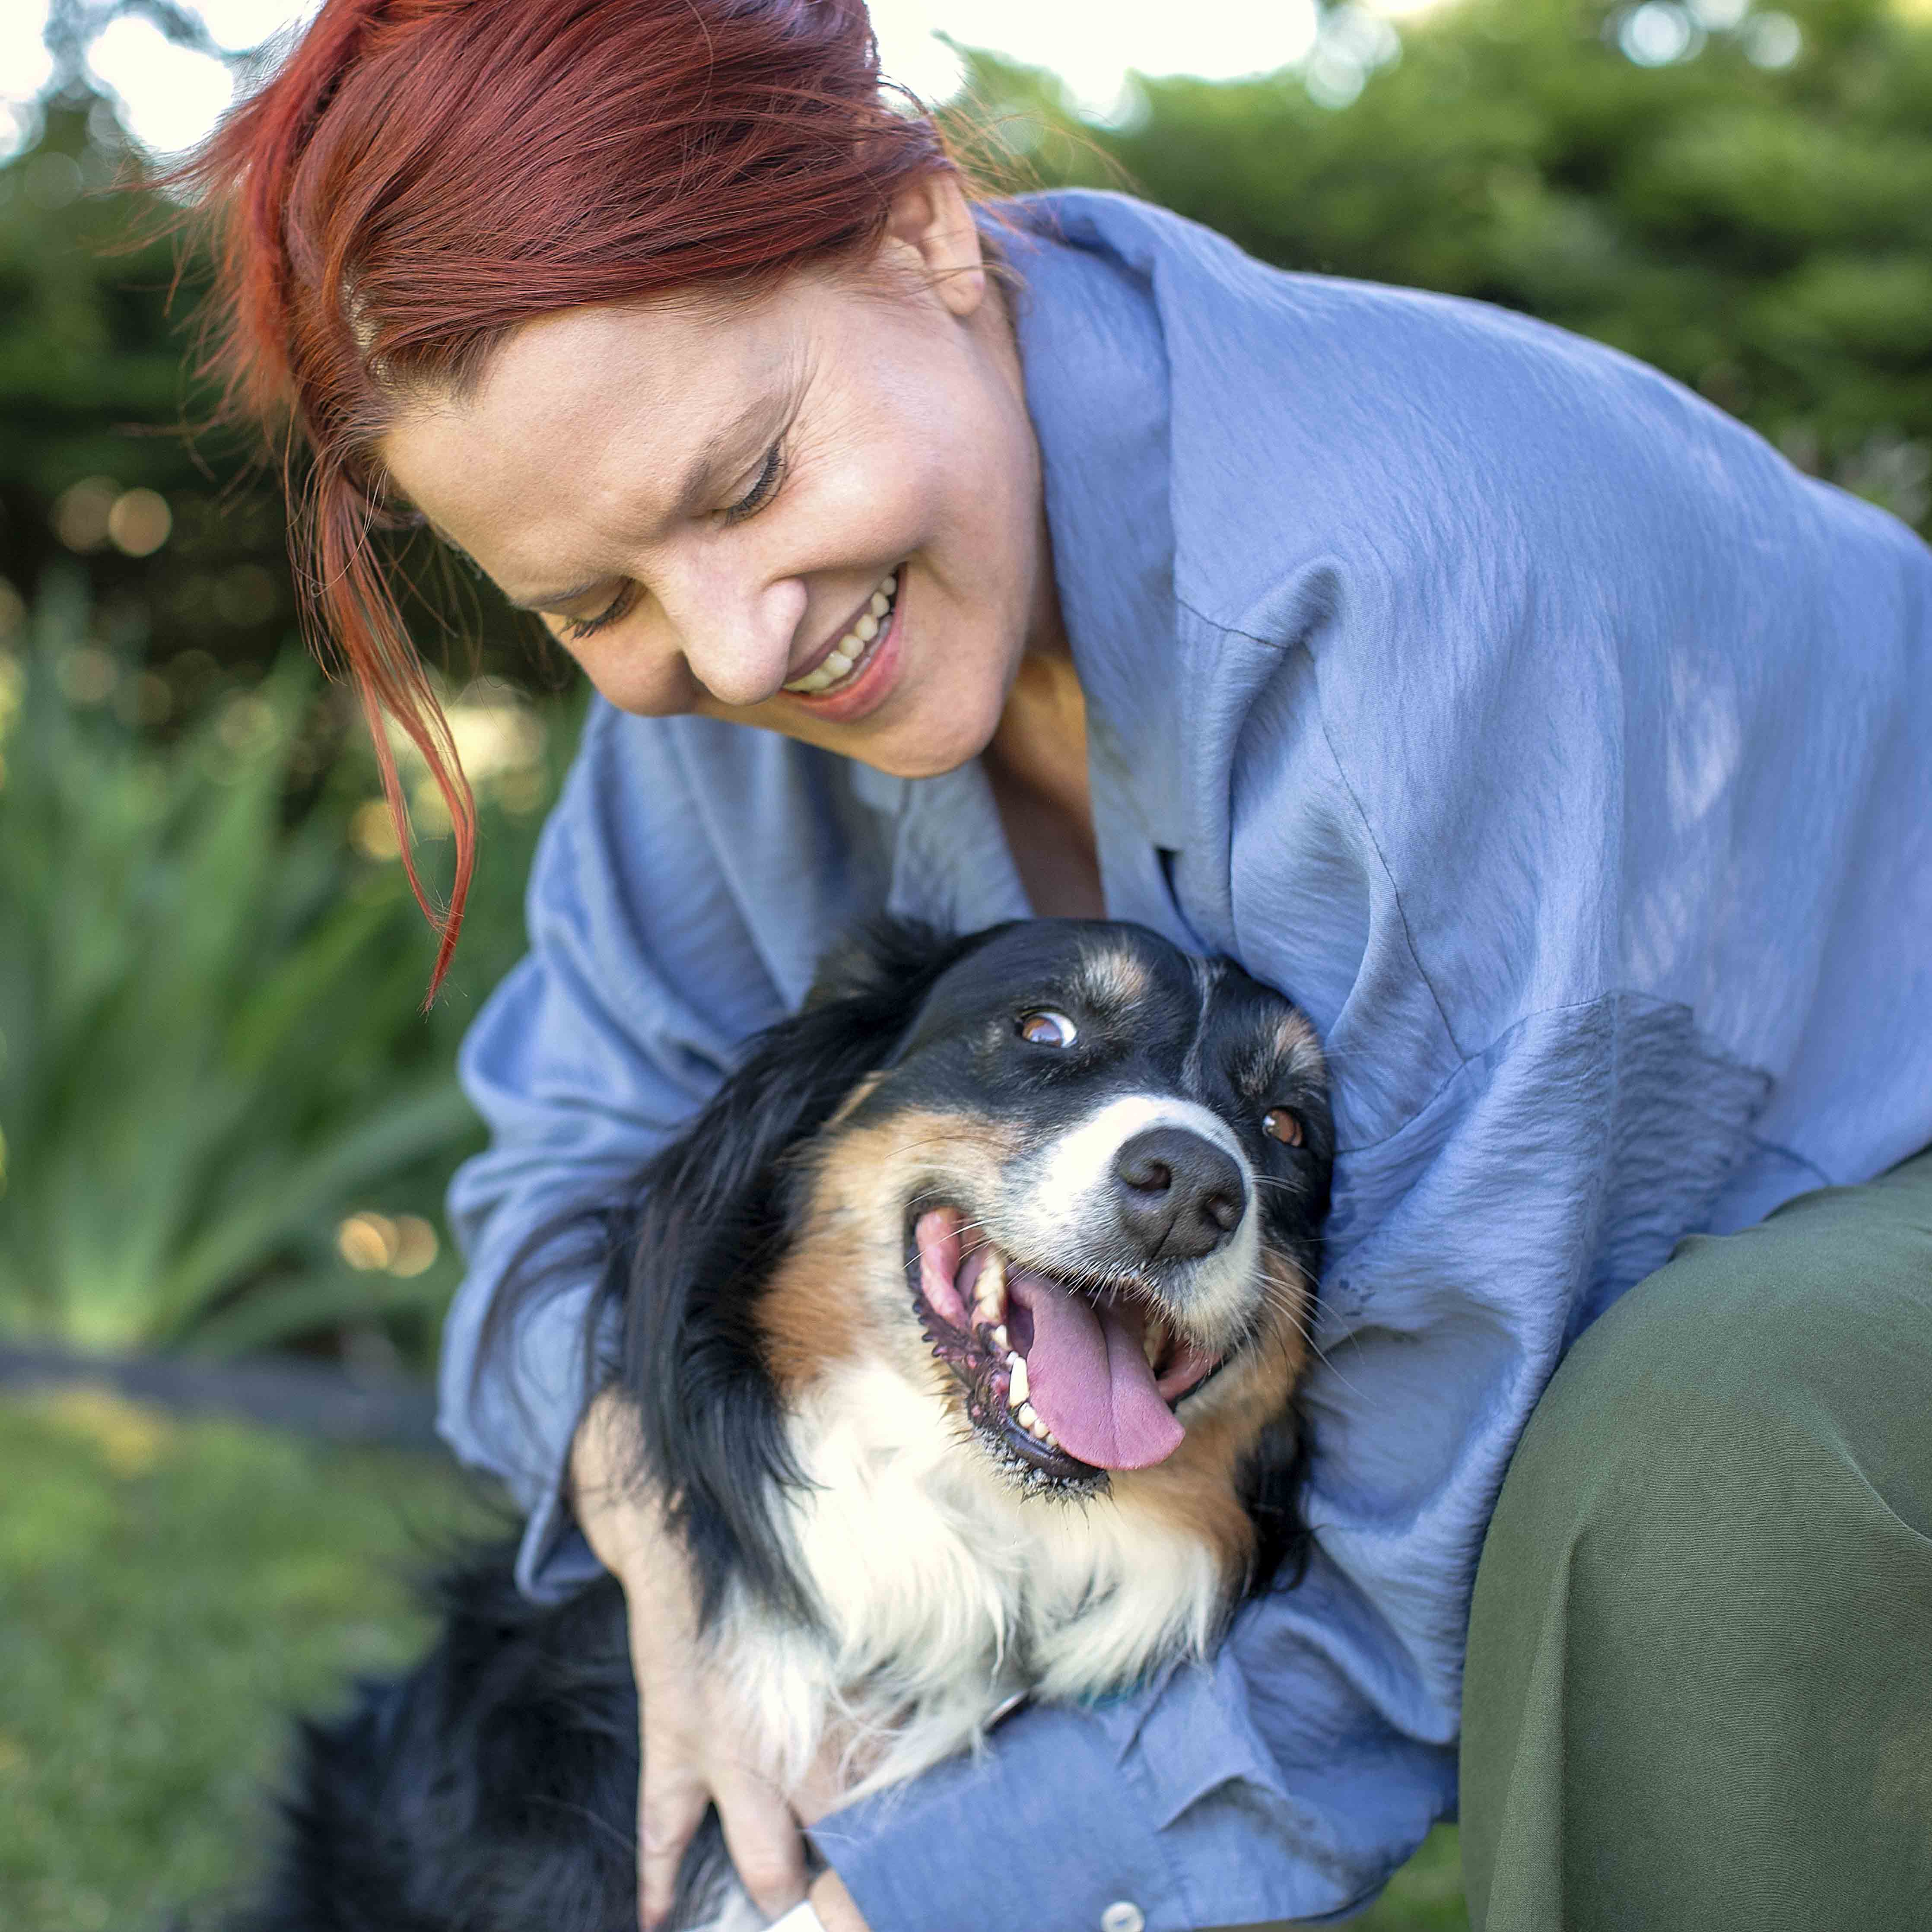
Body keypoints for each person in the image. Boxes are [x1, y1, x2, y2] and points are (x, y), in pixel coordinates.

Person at [183, 1, 1932, 1927]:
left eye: (750, 475)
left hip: (1885, 1150)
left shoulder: (1431, 611)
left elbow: (1407, 1545)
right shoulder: (720, 669)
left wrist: (919, 1898)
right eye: (593, 600)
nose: (734, 654)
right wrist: (648, 1504)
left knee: (1698, 1441)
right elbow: (562, 1182)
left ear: (929, 238)